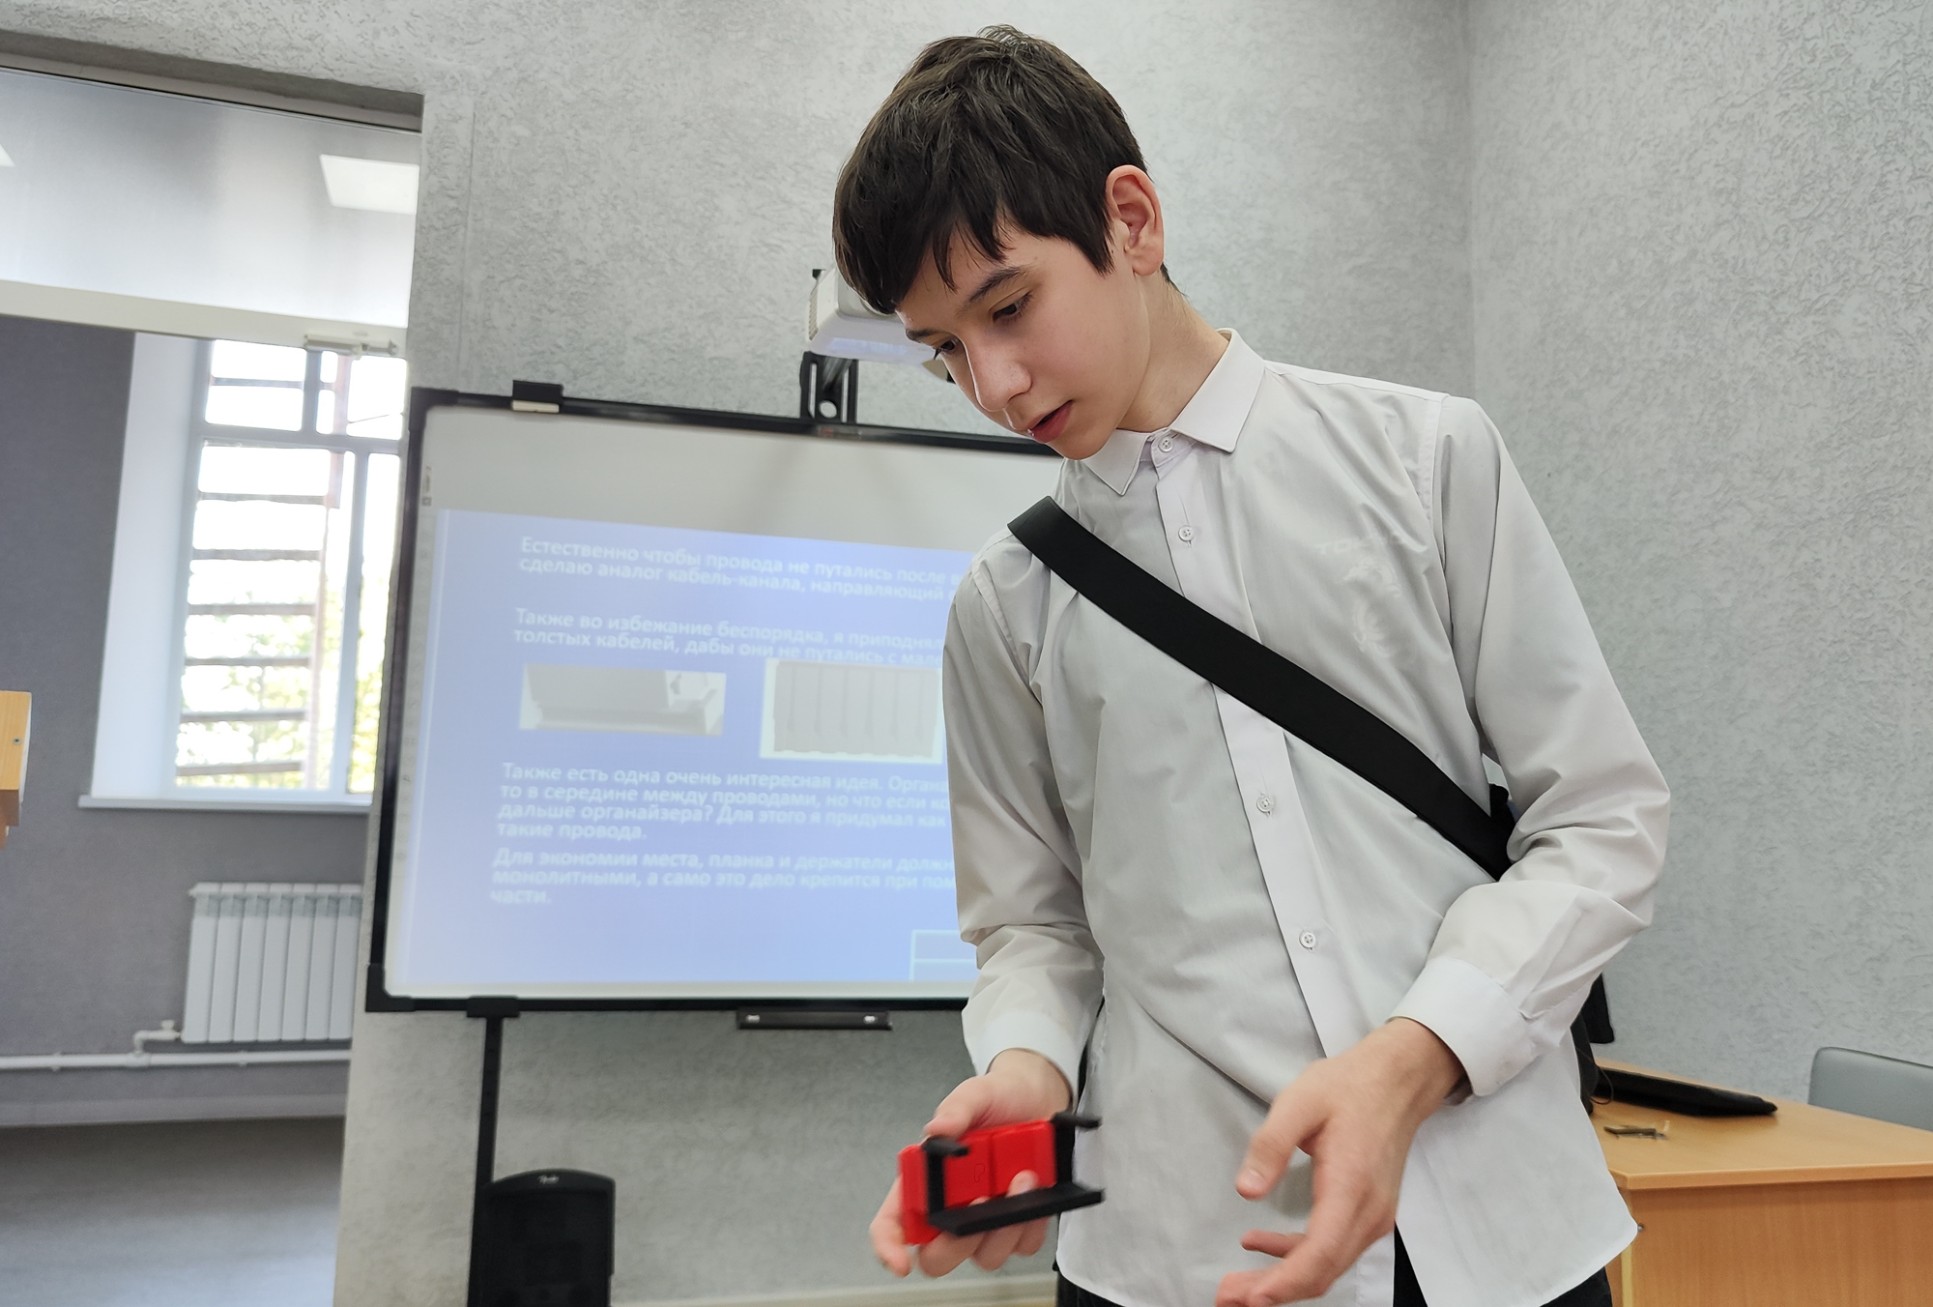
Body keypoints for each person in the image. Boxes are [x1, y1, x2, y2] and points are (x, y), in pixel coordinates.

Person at [831, 26, 1668, 1307]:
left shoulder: (1424, 458)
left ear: (1130, 220)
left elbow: (1602, 816)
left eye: (1005, 307)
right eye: (944, 349)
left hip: (1497, 1225)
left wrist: (1417, 1052)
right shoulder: (1005, 605)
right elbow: (1033, 925)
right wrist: (1023, 1063)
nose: (992, 383)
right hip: (1178, 1249)